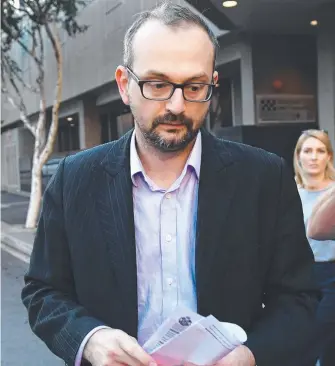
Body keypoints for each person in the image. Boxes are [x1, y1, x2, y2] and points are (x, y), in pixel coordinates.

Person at [22, 3, 318, 366]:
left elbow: (299, 298)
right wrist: (90, 339)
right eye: (157, 84)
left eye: (194, 86)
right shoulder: (74, 180)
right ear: (124, 84)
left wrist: (252, 355)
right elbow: (43, 291)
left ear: (213, 83)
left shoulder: (264, 178)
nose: (177, 105)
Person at [294, 129, 335, 366]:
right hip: (301, 274)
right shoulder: (290, 192)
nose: (313, 157)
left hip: (330, 274)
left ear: (328, 156)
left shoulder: (332, 194)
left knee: (324, 335)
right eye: (307, 150)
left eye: (320, 151)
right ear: (298, 155)